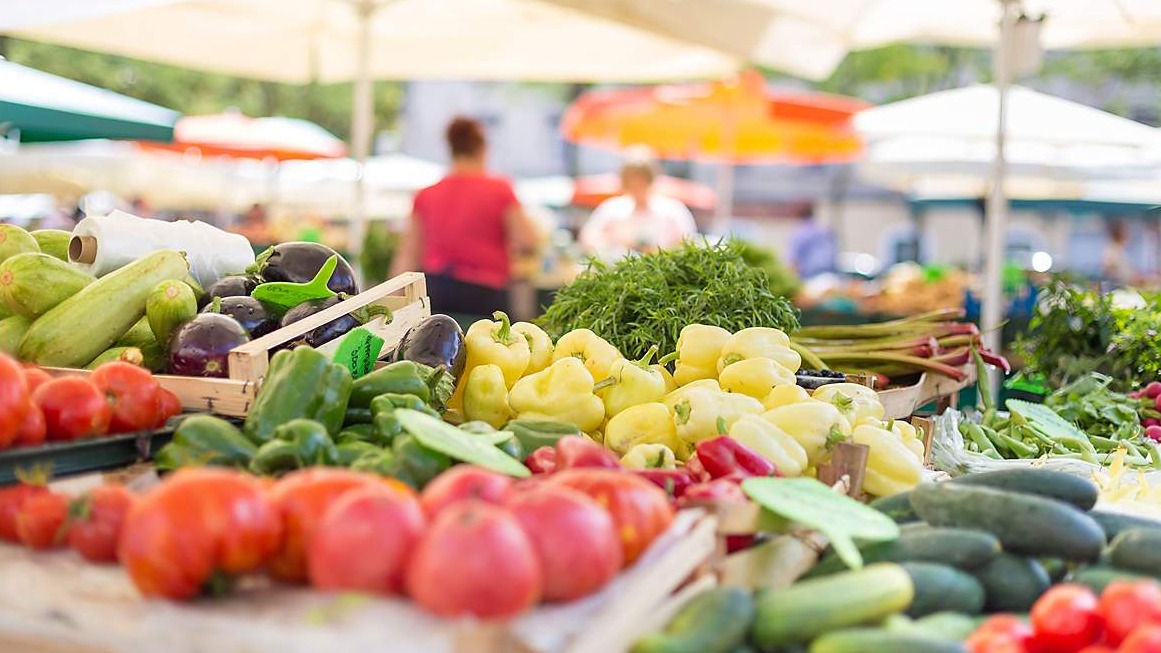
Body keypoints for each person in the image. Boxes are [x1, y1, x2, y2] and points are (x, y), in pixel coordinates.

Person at [389, 117, 537, 317]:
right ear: (482, 149)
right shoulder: (500, 190)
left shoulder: (427, 194)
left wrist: (393, 302)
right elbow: (527, 241)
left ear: (451, 149)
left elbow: (408, 254)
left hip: (437, 289)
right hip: (486, 292)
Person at [579, 147, 698, 259]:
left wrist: (659, 252)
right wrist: (616, 243)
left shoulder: (673, 211)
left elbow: (688, 244)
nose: (637, 186)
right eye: (631, 181)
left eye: (641, 181)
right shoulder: (611, 209)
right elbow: (588, 238)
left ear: (651, 180)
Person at [786, 202, 836, 279]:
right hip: (830, 275)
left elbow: (794, 260)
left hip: (809, 277)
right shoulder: (825, 230)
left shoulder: (800, 232)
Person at [1102, 220, 1135, 285]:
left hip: (1125, 285)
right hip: (1118, 287)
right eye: (1125, 231)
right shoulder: (1111, 250)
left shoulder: (1120, 249)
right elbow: (1107, 271)